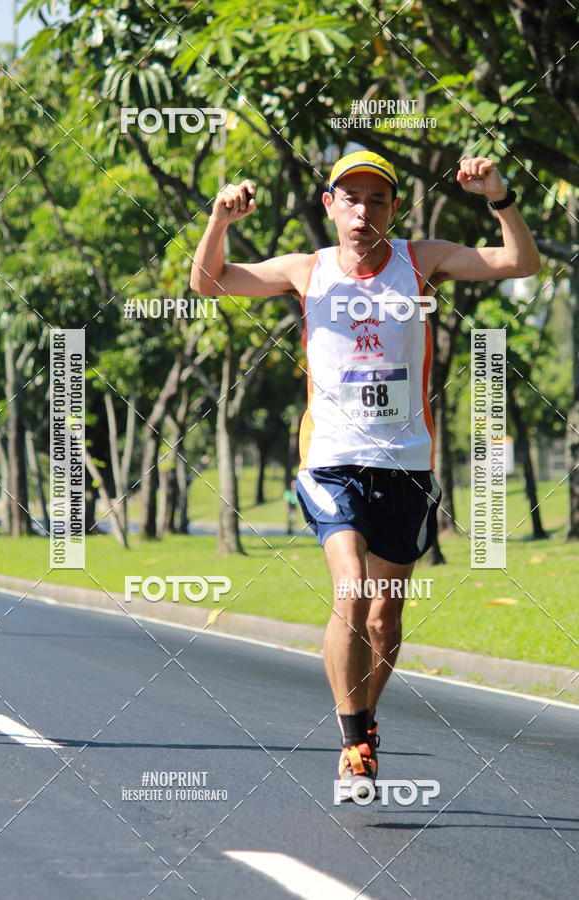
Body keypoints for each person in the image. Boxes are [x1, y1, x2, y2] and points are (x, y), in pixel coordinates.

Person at [190, 150, 540, 799]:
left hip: (406, 462)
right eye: (350, 198)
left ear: (393, 209)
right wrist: (219, 219)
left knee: (385, 618)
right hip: (329, 459)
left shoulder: (421, 260)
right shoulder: (308, 269)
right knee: (350, 590)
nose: (362, 210)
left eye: (376, 199)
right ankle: (352, 743)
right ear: (329, 205)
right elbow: (208, 283)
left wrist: (499, 196)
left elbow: (520, 263)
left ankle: (365, 720)